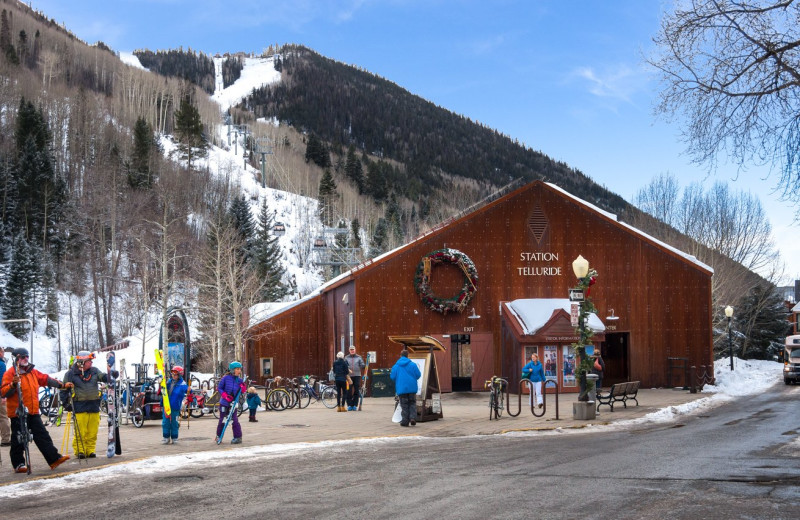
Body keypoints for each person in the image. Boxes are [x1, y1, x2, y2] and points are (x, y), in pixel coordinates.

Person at [1, 347, 72, 473]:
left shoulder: (32, 372)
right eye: (23, 357)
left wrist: (62, 385)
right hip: (18, 412)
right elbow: (4, 392)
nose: (26, 359)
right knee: (19, 438)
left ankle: (54, 458)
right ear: (17, 358)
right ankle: (18, 463)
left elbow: (46, 379)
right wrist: (12, 384)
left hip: (33, 411)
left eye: (27, 356)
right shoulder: (11, 373)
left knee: (42, 435)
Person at [60, 350, 117, 459]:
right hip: (79, 406)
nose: (91, 363)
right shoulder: (70, 374)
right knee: (80, 431)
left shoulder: (94, 371)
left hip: (93, 405)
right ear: (81, 362)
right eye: (89, 361)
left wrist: (111, 374)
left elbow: (103, 377)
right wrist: (66, 404)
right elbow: (63, 390)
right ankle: (80, 451)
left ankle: (90, 450)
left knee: (92, 431)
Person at [215, 361, 245, 444]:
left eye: (240, 369)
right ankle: (218, 436)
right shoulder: (225, 378)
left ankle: (238, 437)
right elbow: (219, 388)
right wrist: (225, 396)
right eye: (237, 369)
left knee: (234, 420)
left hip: (234, 403)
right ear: (232, 370)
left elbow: (242, 391)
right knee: (222, 420)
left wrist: (243, 387)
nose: (239, 371)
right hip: (224, 403)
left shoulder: (239, 380)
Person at [390, 349, 421, 427]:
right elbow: (418, 375)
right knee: (412, 403)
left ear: (400, 355)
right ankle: (413, 418)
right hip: (412, 388)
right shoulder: (413, 365)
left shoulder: (396, 366)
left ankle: (405, 421)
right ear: (408, 356)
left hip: (402, 388)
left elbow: (392, 376)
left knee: (404, 405)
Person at [162, 365, 188, 445]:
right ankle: (166, 437)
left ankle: (174, 437)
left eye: (175, 374)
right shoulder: (169, 382)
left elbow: (187, 390)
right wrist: (161, 386)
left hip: (175, 406)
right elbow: (163, 391)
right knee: (165, 422)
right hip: (166, 405)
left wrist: (189, 394)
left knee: (174, 422)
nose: (173, 376)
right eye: (172, 374)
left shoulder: (182, 384)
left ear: (179, 375)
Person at [344, 345, 366, 411]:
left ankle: (355, 405)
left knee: (356, 390)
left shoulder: (359, 357)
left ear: (355, 350)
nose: (352, 351)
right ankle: (349, 405)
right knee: (348, 390)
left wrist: (364, 365)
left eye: (353, 349)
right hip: (349, 376)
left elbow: (362, 364)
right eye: (351, 350)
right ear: (349, 350)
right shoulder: (346, 357)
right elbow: (344, 365)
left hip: (357, 375)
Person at [0, 351, 11, 447]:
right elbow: (3, 380)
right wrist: (3, 395)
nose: (3, 354)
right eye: (2, 352)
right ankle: (5, 439)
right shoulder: (1, 364)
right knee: (3, 417)